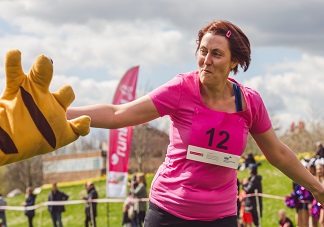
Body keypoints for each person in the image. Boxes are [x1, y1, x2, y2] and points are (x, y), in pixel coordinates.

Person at [67, 20, 324, 227]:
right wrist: (59, 112)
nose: (206, 60)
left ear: (234, 62)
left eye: (216, 54)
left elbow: (277, 153)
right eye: (202, 51)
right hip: (169, 212)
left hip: (220, 217)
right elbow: (118, 114)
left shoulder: (249, 103)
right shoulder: (181, 89)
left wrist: (316, 188)